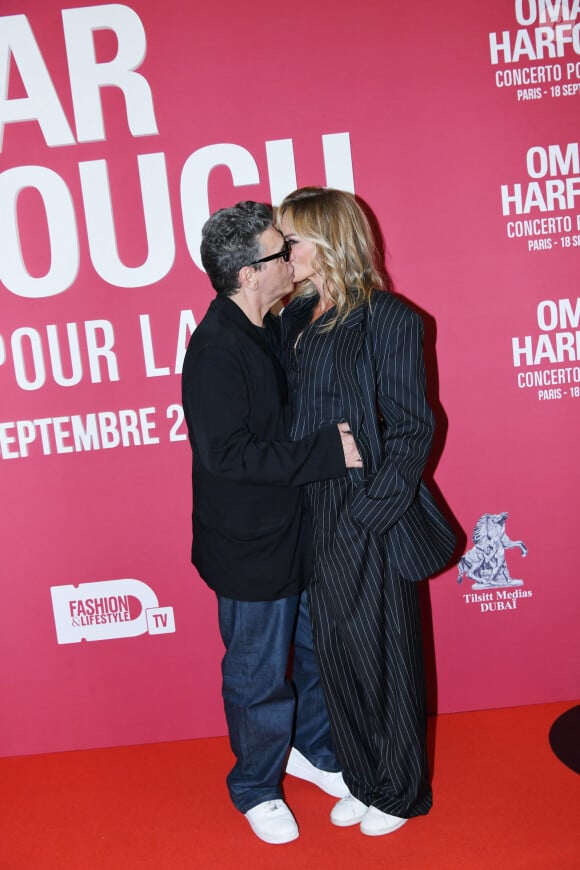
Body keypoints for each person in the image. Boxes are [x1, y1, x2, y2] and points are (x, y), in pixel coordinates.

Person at [181, 201, 362, 845]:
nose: (293, 259)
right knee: (258, 671)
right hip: (249, 545)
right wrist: (326, 452)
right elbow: (226, 454)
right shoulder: (215, 350)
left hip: (295, 530)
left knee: (311, 654)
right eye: (281, 251)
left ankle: (311, 752)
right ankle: (256, 785)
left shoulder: (270, 326)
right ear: (250, 273)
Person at [277, 187, 455, 837]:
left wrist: (371, 513)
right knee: (333, 657)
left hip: (366, 505)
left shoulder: (390, 319)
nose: (280, 251)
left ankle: (401, 792)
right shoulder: (291, 321)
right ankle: (363, 777)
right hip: (306, 508)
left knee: (385, 655)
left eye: (289, 239)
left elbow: (413, 428)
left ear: (325, 240)